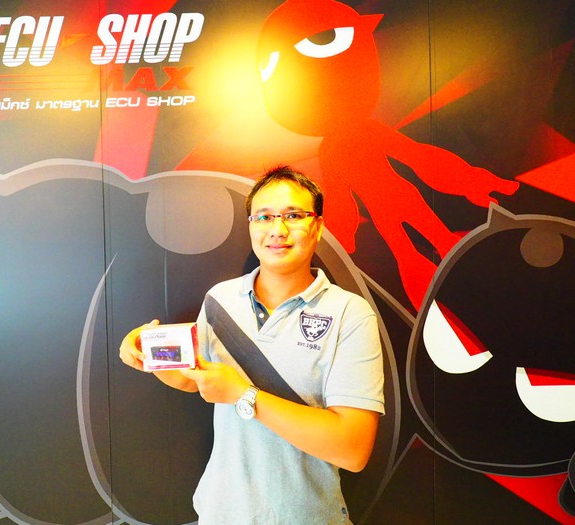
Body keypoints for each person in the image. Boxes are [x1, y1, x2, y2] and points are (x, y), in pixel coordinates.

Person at [120, 165, 384, 524]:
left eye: (294, 216)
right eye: (264, 217)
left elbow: (352, 449)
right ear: (251, 226)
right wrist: (147, 351)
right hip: (221, 513)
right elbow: (192, 378)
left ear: (318, 226)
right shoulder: (221, 299)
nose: (278, 229)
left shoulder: (350, 314)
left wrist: (244, 395)